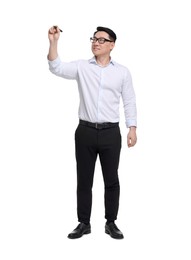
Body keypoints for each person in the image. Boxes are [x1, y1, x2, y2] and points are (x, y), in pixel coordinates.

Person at [47, 25, 137, 239]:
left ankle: (111, 222)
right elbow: (56, 67)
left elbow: (130, 100)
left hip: (110, 133)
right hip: (85, 131)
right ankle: (83, 223)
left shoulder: (122, 72)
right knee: (84, 180)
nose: (95, 42)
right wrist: (53, 42)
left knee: (111, 180)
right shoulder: (82, 67)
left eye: (101, 40)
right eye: (93, 39)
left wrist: (132, 127)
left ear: (112, 45)